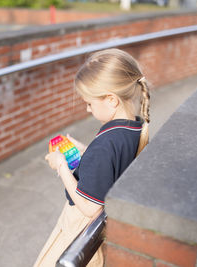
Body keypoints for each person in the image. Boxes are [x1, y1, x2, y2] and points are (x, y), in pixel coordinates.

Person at [34, 48, 150, 267]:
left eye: (89, 103)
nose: (87, 109)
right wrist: (86, 151)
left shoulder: (105, 145)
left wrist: (61, 166)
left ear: (111, 100)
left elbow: (90, 207)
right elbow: (112, 165)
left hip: (79, 227)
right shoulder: (135, 126)